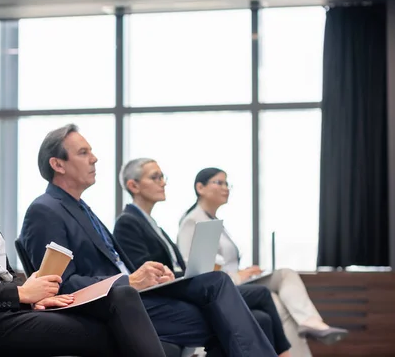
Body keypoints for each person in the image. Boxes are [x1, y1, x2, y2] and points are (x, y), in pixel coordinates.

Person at [0, 100, 167, 357]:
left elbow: (0, 272)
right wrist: (20, 294)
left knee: (120, 295)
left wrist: (29, 294)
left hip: (4, 313)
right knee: (110, 332)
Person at [20, 124, 279, 357]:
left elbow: (117, 264)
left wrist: (151, 277)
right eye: (83, 153)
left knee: (217, 282)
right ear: (58, 164)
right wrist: (129, 280)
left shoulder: (83, 208)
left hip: (133, 294)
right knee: (236, 320)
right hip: (111, 304)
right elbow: (59, 285)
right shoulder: (45, 210)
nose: (95, 158)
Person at [114, 158, 291, 357]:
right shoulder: (127, 222)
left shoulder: (155, 225)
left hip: (177, 282)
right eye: (155, 177)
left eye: (163, 177)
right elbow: (142, 270)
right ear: (133, 185)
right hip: (163, 290)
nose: (162, 182)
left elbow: (174, 263)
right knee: (251, 292)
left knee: (261, 318)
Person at [178, 168, 349, 356]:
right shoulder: (192, 221)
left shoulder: (215, 221)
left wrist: (245, 271)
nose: (226, 188)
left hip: (237, 280)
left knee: (285, 274)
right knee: (277, 302)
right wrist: (237, 275)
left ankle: (311, 322)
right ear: (200, 188)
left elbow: (222, 262)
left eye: (227, 183)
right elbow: (195, 268)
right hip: (225, 286)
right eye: (219, 183)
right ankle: (297, 340)